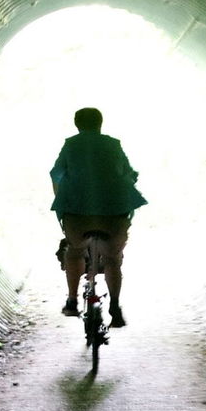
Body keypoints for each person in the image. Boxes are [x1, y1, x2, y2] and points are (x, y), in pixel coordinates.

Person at [49, 107, 147, 327]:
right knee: (113, 259)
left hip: (77, 214)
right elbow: (128, 173)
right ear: (100, 123)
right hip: (113, 214)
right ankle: (115, 307)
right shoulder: (113, 144)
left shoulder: (71, 145)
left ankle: (72, 301)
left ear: (77, 125)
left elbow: (56, 173)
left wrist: (62, 197)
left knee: (74, 251)